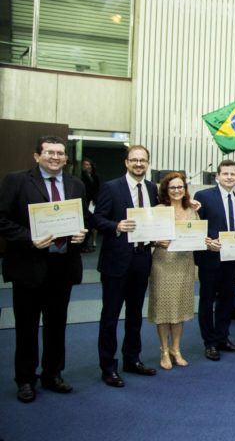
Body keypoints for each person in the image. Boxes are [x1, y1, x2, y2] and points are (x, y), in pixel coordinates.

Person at [0, 135, 88, 403]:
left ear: (65, 158)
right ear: (37, 156)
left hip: (63, 266)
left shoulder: (76, 184)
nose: (55, 157)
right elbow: (2, 219)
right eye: (49, 152)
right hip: (29, 266)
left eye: (60, 153)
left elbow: (81, 218)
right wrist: (30, 238)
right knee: (26, 326)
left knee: (57, 325)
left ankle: (53, 374)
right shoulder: (16, 181)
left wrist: (82, 234)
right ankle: (25, 379)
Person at [92, 144, 158, 387]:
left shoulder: (152, 188)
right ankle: (108, 366)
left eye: (143, 160)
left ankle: (132, 358)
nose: (139, 164)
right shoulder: (111, 187)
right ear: (126, 163)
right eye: (134, 160)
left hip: (142, 260)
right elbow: (97, 219)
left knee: (135, 316)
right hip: (115, 262)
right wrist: (116, 227)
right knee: (110, 317)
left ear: (147, 163)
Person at [193, 160, 235, 361]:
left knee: (227, 300)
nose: (229, 177)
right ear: (217, 176)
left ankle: (222, 338)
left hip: (232, 258)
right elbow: (195, 225)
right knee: (207, 301)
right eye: (225, 173)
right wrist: (206, 240)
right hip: (210, 257)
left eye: (232, 174)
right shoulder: (203, 196)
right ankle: (210, 343)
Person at [148, 172, 198, 370]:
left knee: (180, 307)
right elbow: (147, 236)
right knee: (164, 309)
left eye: (180, 187)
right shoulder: (158, 210)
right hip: (163, 262)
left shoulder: (192, 210)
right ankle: (163, 350)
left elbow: (198, 234)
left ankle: (176, 349)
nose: (177, 190)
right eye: (172, 188)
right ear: (166, 191)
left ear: (185, 189)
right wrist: (156, 241)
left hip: (185, 263)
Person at [80, 157, 100, 252]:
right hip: (85, 203)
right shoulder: (80, 177)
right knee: (85, 224)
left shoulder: (95, 176)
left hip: (94, 203)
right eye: (85, 165)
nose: (87, 166)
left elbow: (98, 189)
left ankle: (93, 242)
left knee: (93, 223)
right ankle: (84, 245)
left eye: (88, 164)